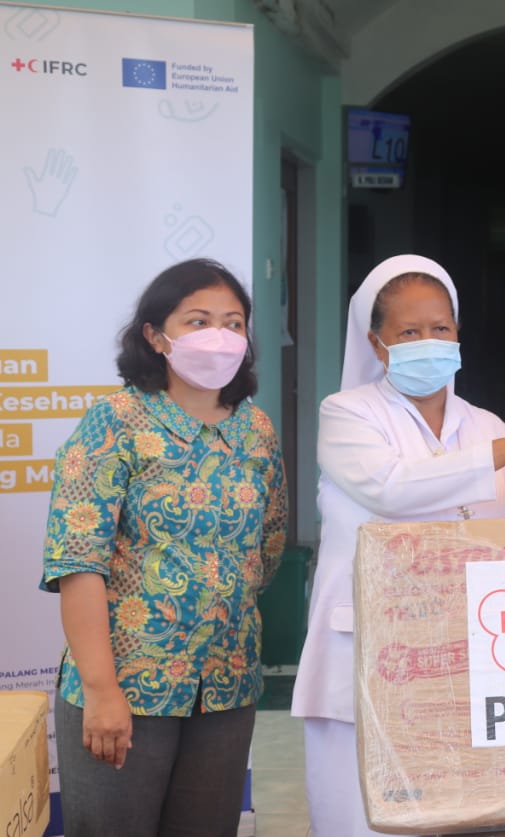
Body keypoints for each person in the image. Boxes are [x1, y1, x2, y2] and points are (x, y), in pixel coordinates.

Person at [290, 254, 505, 837]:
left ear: (459, 333)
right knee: (361, 820)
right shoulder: (347, 414)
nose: (429, 341)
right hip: (367, 658)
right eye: (409, 332)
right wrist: (502, 456)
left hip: (472, 659)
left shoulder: (490, 426)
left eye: (440, 328)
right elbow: (392, 489)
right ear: (377, 344)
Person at [41, 259, 287, 837]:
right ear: (156, 336)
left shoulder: (256, 430)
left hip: (226, 684)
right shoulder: (113, 423)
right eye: (198, 320)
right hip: (125, 685)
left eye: (233, 323)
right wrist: (102, 691)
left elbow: (268, 548)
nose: (219, 337)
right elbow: (78, 563)